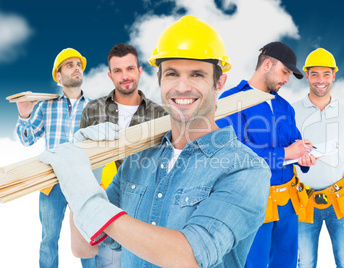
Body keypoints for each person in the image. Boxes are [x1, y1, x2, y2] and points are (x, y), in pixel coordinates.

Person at [39, 15, 271, 267]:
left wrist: (95, 207)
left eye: (197, 75)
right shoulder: (138, 158)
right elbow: (84, 247)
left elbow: (189, 257)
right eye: (171, 74)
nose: (182, 87)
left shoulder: (245, 169)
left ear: (219, 83)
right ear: (160, 80)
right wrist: (89, 169)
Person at [216, 42, 317, 267]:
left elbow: (295, 143)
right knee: (255, 262)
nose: (286, 80)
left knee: (287, 261)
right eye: (284, 72)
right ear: (267, 64)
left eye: (289, 74)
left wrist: (304, 157)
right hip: (254, 202)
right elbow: (236, 154)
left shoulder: (284, 106)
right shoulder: (231, 102)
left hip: (288, 201)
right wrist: (284, 153)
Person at [78, 43, 167, 267]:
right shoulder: (93, 110)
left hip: (143, 213)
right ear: (110, 75)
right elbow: (82, 161)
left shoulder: (160, 114)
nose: (124, 76)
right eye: (117, 71)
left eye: (129, 68)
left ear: (139, 70)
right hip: (101, 207)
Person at [292, 48, 344, 268]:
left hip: (339, 201)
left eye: (326, 74)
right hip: (303, 203)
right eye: (315, 74)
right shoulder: (292, 113)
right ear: (307, 76)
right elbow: (283, 157)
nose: (321, 80)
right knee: (305, 263)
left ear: (334, 75)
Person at [15, 48, 94, 267]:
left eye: (78, 64)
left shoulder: (94, 106)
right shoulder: (46, 106)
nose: (76, 67)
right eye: (69, 65)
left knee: (89, 237)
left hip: (84, 183)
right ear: (58, 76)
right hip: (52, 182)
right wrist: (24, 114)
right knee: (49, 240)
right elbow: (27, 139)